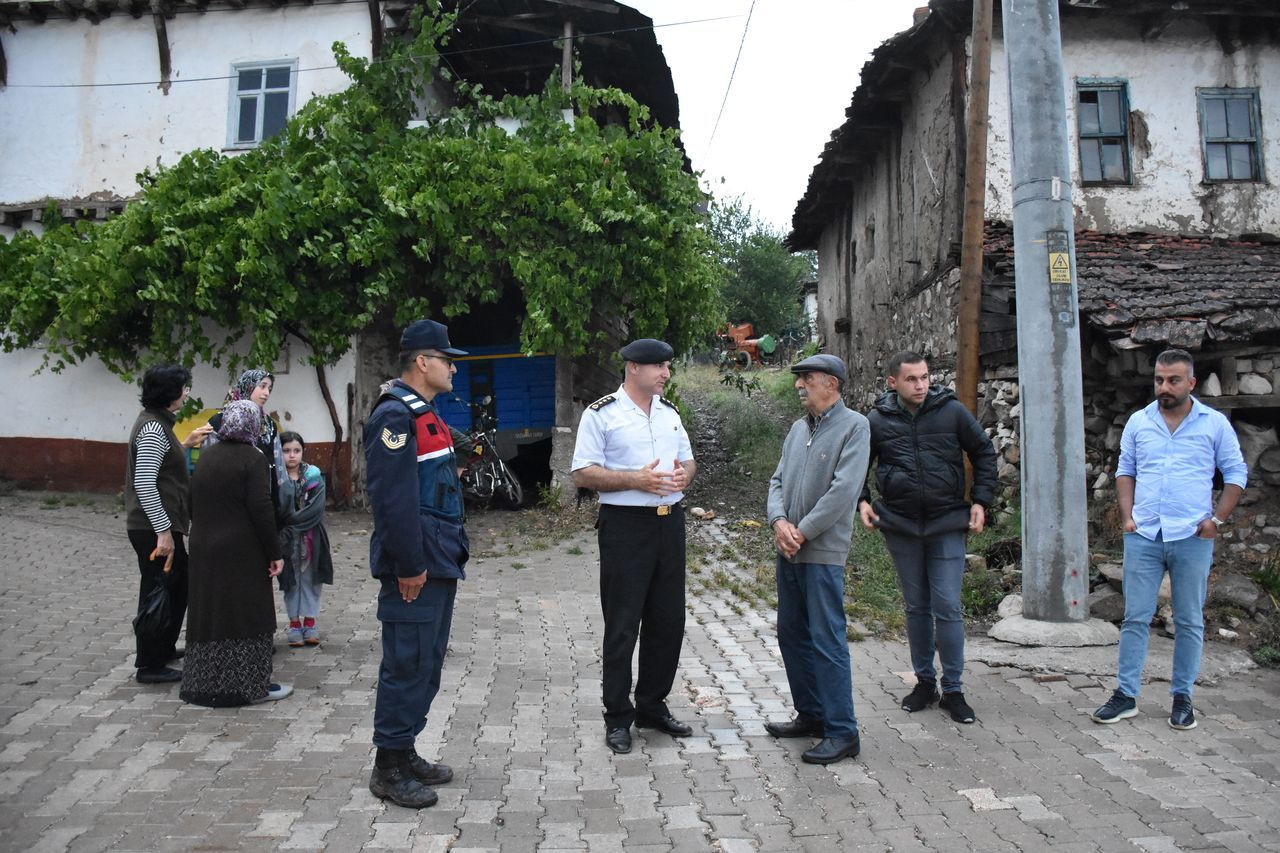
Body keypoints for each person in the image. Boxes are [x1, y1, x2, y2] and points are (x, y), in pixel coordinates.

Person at [1092, 348, 1247, 731]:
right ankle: (1125, 695)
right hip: (1144, 533)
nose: (1165, 387)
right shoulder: (1139, 421)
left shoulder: (1213, 424)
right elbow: (1125, 470)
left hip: (1192, 535)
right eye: (1159, 379)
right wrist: (1127, 516)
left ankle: (1182, 698)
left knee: (1189, 621)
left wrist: (1217, 520)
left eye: (1173, 380)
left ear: (1190, 383)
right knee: (1135, 618)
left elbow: (1236, 473)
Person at [858, 351, 998, 724]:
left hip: (947, 522)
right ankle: (924, 683)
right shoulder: (877, 420)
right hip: (900, 524)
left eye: (924, 377)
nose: (921, 385)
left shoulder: (951, 412)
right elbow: (857, 463)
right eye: (911, 379)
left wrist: (981, 501)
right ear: (893, 383)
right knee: (917, 607)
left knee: (947, 606)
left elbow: (984, 452)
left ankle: (954, 690)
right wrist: (862, 500)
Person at [572, 338, 697, 756]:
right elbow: (583, 473)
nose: (666, 374)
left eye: (667, 366)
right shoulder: (601, 414)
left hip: (669, 523)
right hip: (625, 527)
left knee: (668, 621)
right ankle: (617, 717)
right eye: (659, 367)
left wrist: (685, 476)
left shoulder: (669, 413)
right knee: (623, 624)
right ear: (633, 368)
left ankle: (651, 706)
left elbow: (688, 460)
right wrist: (635, 480)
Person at [365, 319, 469, 809]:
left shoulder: (424, 412)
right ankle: (387, 768)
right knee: (407, 662)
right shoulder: (394, 416)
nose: (454, 368)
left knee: (427, 663)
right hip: (416, 563)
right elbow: (392, 500)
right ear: (423, 362)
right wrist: (408, 564)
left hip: (439, 557)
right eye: (447, 360)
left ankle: (404, 751)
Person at [765, 354, 869, 764]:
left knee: (827, 640)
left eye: (806, 378)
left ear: (831, 383)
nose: (799, 385)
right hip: (788, 550)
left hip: (822, 554)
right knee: (792, 634)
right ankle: (811, 714)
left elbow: (843, 492)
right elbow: (777, 480)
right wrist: (779, 522)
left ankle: (842, 731)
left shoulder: (855, 427)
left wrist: (802, 531)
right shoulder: (797, 429)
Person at [180, 400, 291, 706]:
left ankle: (205, 683)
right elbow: (261, 507)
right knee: (247, 614)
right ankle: (251, 686)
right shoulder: (253, 458)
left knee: (211, 613)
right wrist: (274, 551)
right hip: (241, 549)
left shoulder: (207, 455)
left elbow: (191, 500)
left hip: (203, 546)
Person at [124, 365, 212, 684]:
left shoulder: (159, 423)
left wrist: (184, 444)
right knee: (157, 592)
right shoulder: (152, 428)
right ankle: (150, 664)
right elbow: (145, 482)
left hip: (159, 524)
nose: (186, 393)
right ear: (169, 393)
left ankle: (162, 648)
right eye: (183, 388)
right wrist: (163, 532)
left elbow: (161, 462)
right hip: (152, 528)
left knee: (175, 586)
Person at [277, 432, 333, 647]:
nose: (292, 455)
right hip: (286, 541)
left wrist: (290, 522)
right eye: (286, 451)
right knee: (291, 582)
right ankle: (294, 624)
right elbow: (276, 510)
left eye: (296, 450)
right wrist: (286, 525)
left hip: (312, 538)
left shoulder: (314, 476)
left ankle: (310, 623)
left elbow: (315, 511)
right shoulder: (276, 478)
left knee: (311, 580)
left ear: (303, 452)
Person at [207, 369, 285, 511]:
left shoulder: (268, 424)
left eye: (269, 388)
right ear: (248, 386)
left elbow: (279, 464)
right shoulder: (220, 421)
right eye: (262, 386)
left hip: (263, 498)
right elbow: (208, 465)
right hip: (228, 502)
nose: (266, 393)